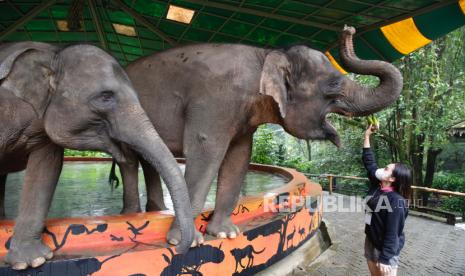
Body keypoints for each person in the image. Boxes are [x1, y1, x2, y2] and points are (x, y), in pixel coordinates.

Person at [362, 124, 412, 276]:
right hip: (371, 240)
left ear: (391, 178)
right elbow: (369, 163)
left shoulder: (396, 202)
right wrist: (367, 136)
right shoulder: (377, 185)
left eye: (386, 169)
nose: (382, 169)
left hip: (385, 248)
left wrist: (385, 258)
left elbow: (393, 233)